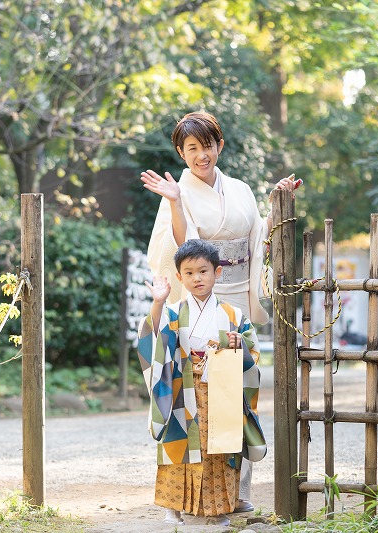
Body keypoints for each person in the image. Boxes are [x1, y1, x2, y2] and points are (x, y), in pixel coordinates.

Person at [141, 110, 299, 511]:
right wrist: (176, 202)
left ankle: (236, 491)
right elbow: (182, 250)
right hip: (199, 300)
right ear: (181, 152)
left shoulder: (241, 189)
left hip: (237, 302)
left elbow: (260, 236)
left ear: (219, 146)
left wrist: (278, 201)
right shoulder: (178, 192)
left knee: (239, 395)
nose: (201, 155)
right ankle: (189, 494)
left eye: (207, 145)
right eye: (191, 148)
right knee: (195, 401)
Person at [137, 239, 267, 527]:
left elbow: (251, 352)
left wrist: (237, 345)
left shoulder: (233, 314)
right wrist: (158, 302)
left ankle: (219, 509)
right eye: (190, 272)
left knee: (219, 447)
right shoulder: (173, 310)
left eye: (204, 271)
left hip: (220, 390)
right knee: (179, 444)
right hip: (181, 389)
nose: (197, 278)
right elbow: (151, 338)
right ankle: (173, 508)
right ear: (179, 277)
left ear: (217, 273)